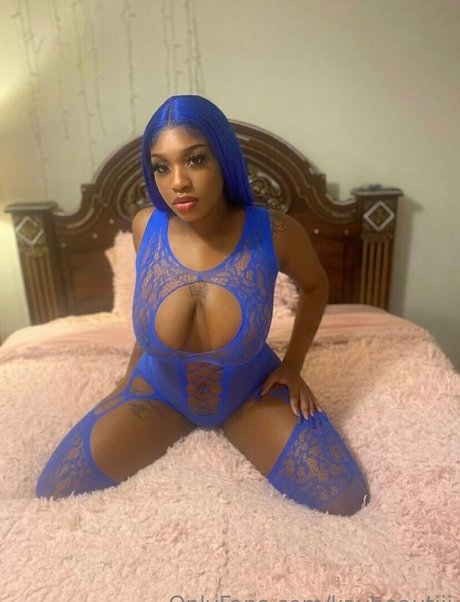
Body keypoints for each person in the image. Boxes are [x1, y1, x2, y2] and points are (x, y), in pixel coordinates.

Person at [36, 95, 370, 515]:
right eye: (161, 166)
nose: (178, 182)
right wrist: (126, 379)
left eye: (194, 160)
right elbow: (148, 309)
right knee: (55, 489)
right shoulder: (145, 227)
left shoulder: (276, 233)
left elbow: (316, 285)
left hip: (249, 393)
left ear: (223, 158)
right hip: (159, 392)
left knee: (344, 498)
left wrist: (293, 365)